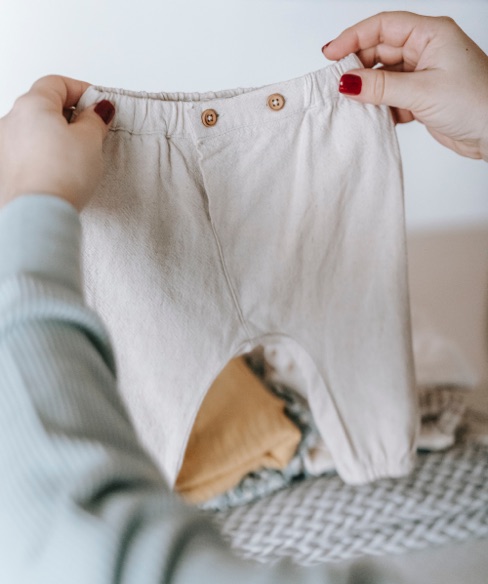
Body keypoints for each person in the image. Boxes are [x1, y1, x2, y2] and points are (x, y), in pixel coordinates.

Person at [0, 10, 486, 584]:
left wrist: (34, 205)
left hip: (323, 137)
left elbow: (75, 523)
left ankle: (376, 448)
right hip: (144, 172)